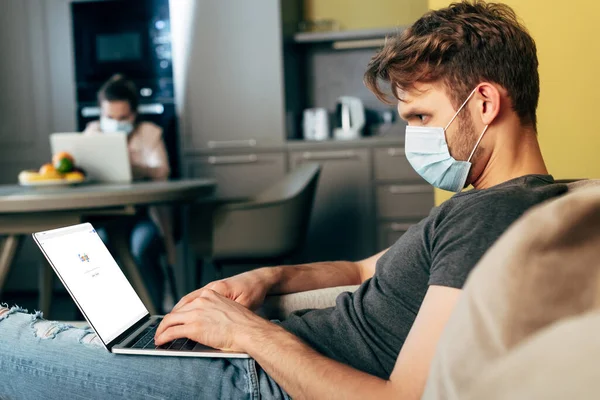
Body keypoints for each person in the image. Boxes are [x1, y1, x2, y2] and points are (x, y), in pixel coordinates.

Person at [0, 2, 570, 398]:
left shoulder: (493, 215)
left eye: (421, 117)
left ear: (485, 103)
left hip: (254, 377)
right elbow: (359, 268)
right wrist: (269, 278)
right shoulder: (494, 206)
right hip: (253, 357)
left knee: (9, 343)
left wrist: (245, 333)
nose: (412, 137)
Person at [84, 74, 177, 313]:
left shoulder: (148, 133)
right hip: (103, 217)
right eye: (109, 117)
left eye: (122, 117)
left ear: (134, 114)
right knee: (91, 251)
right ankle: (107, 316)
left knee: (142, 248)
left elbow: (162, 171)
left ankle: (156, 315)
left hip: (142, 216)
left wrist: (132, 167)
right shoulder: (92, 133)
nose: (115, 122)